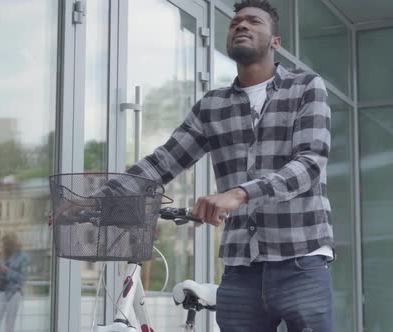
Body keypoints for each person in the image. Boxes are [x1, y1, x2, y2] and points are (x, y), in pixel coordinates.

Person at [119, 1, 334, 330]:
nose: (242, 26)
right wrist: (95, 198)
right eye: (236, 22)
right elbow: (162, 162)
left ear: (275, 41)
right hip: (240, 270)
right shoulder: (212, 105)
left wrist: (240, 193)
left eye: (254, 21)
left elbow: (310, 163)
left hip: (301, 260)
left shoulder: (305, 87)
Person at [0, 233, 29, 332]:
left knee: (9, 324)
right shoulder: (4, 257)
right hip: (2, 291)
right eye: (3, 245)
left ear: (12, 244)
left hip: (15, 292)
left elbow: (22, 278)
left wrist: (7, 271)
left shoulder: (22, 257)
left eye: (5, 244)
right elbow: (1, 277)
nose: (3, 247)